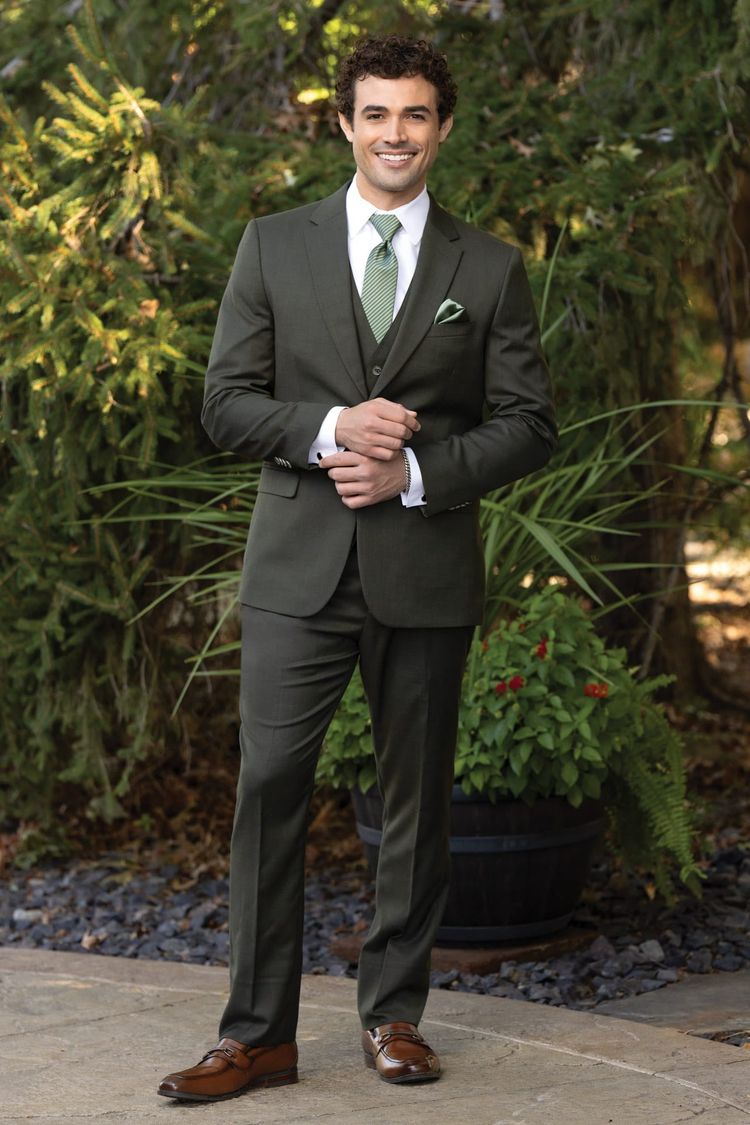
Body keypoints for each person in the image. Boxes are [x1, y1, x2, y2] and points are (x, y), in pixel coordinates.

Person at [158, 33, 556, 1103]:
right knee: (269, 788)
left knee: (415, 800)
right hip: (296, 569)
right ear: (344, 123)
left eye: (416, 115)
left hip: (422, 569)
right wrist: (331, 426)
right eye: (375, 114)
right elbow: (226, 405)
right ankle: (257, 1035)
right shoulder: (271, 247)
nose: (396, 134)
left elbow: (529, 425)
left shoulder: (489, 267)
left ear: (443, 129)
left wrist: (418, 473)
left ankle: (395, 1017)